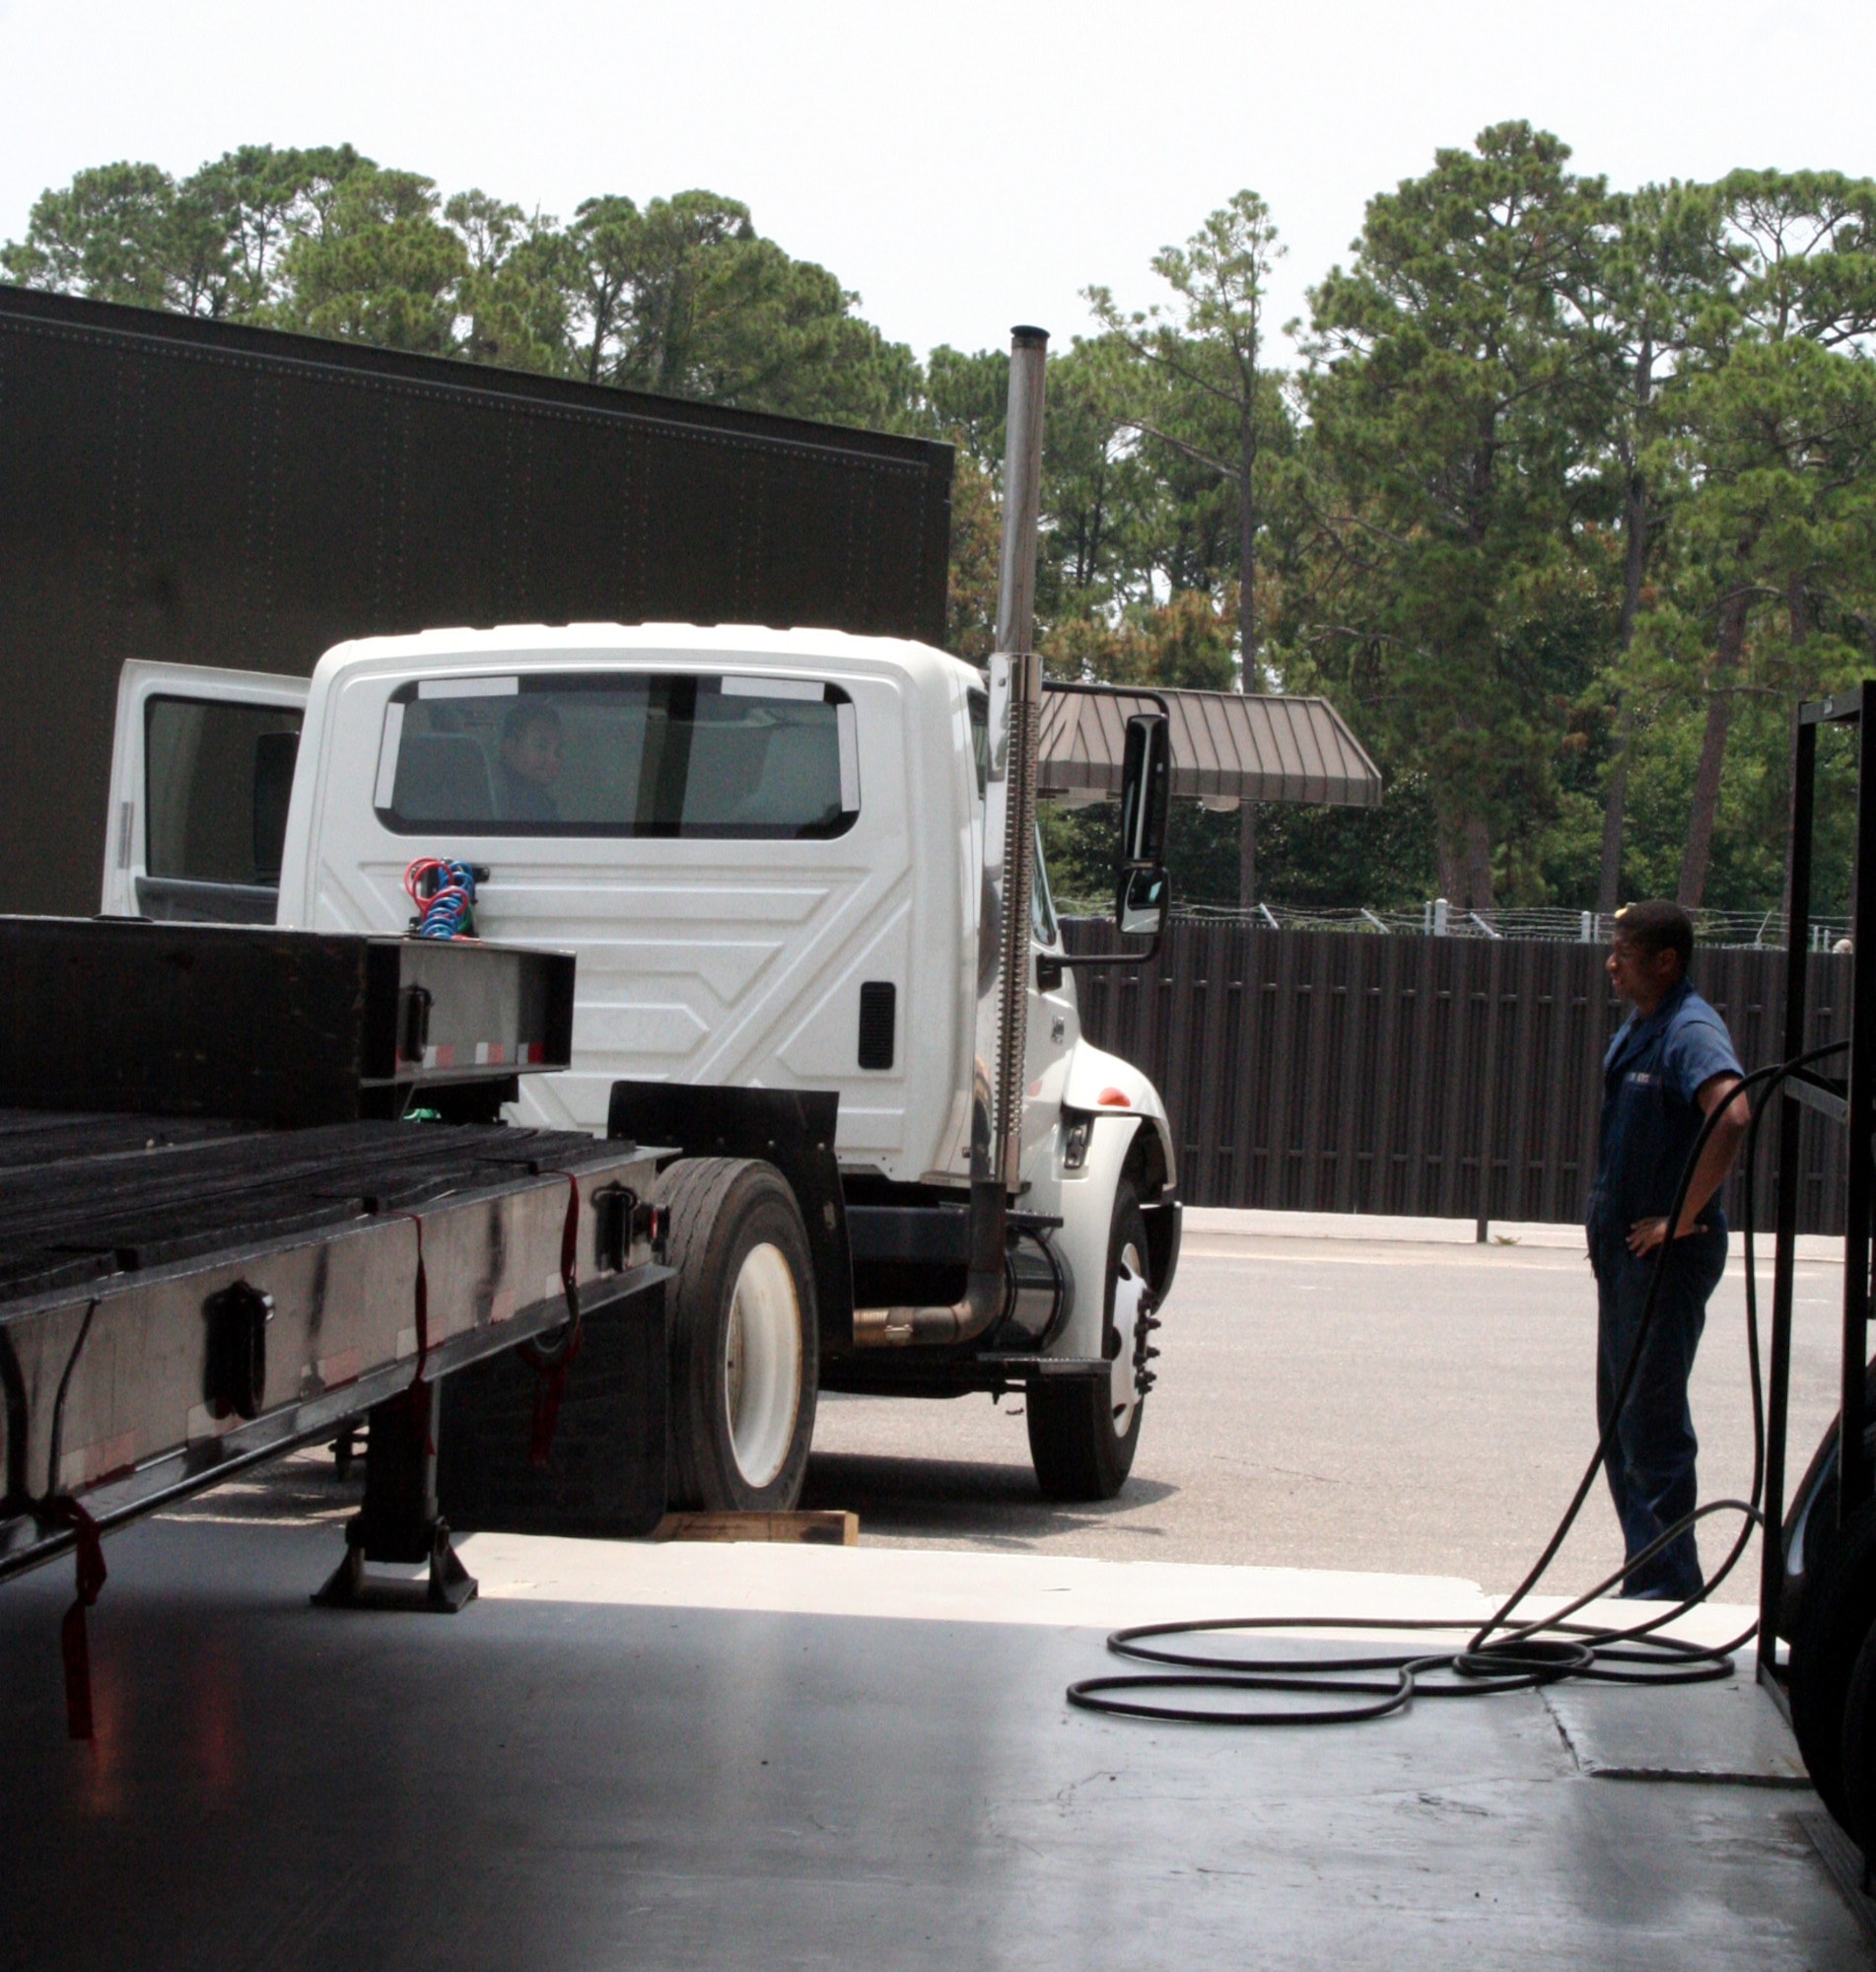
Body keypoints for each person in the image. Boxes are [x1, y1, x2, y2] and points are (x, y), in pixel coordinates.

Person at [1587, 899, 1750, 1600]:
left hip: (1665, 1261)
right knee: (1622, 1419)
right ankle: (1645, 1573)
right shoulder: (1642, 1028)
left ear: (1665, 961)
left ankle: (1665, 1590)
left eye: (1623, 952)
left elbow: (1733, 1110)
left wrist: (1681, 1218)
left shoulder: (1689, 1030)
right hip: (1627, 1263)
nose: (1610, 964)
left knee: (1649, 1420)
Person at [497, 700, 563, 822]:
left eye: (557, 751)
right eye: (541, 747)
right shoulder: (521, 803)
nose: (553, 759)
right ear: (510, 745)